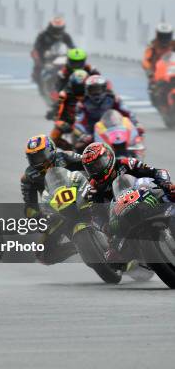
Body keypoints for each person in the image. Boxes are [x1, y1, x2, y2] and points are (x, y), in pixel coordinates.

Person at [20, 134, 84, 264]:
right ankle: (79, 247)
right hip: (57, 209)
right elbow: (29, 207)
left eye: (39, 155)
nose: (36, 160)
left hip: (81, 193)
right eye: (32, 157)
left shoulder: (66, 156)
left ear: (50, 150)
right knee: (43, 255)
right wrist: (39, 217)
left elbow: (90, 164)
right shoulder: (28, 177)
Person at [74, 75, 143, 151]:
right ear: (88, 91)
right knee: (79, 147)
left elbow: (127, 113)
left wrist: (136, 124)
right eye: (93, 90)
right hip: (92, 133)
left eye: (98, 89)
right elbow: (78, 122)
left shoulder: (113, 99)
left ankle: (135, 158)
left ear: (104, 89)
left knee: (135, 141)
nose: (96, 93)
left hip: (113, 129)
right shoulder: (82, 104)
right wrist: (82, 134)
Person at [50, 70, 88, 149]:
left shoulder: (93, 95)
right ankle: (71, 150)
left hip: (89, 123)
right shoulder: (64, 95)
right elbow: (58, 114)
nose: (79, 90)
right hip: (71, 124)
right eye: (77, 87)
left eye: (82, 87)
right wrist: (61, 123)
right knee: (53, 138)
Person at [31, 17, 75, 84]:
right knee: (38, 64)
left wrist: (74, 52)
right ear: (51, 27)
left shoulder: (65, 35)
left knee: (71, 65)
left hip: (59, 55)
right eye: (56, 29)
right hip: (44, 55)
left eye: (59, 29)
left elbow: (72, 46)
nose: (58, 31)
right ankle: (37, 77)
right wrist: (38, 54)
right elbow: (37, 46)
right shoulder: (43, 35)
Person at [142, 23, 175, 107]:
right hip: (157, 74)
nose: (164, 39)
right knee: (154, 91)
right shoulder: (152, 46)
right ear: (157, 35)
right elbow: (145, 61)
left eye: (167, 36)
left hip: (171, 70)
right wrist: (150, 73)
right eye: (162, 36)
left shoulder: (173, 44)